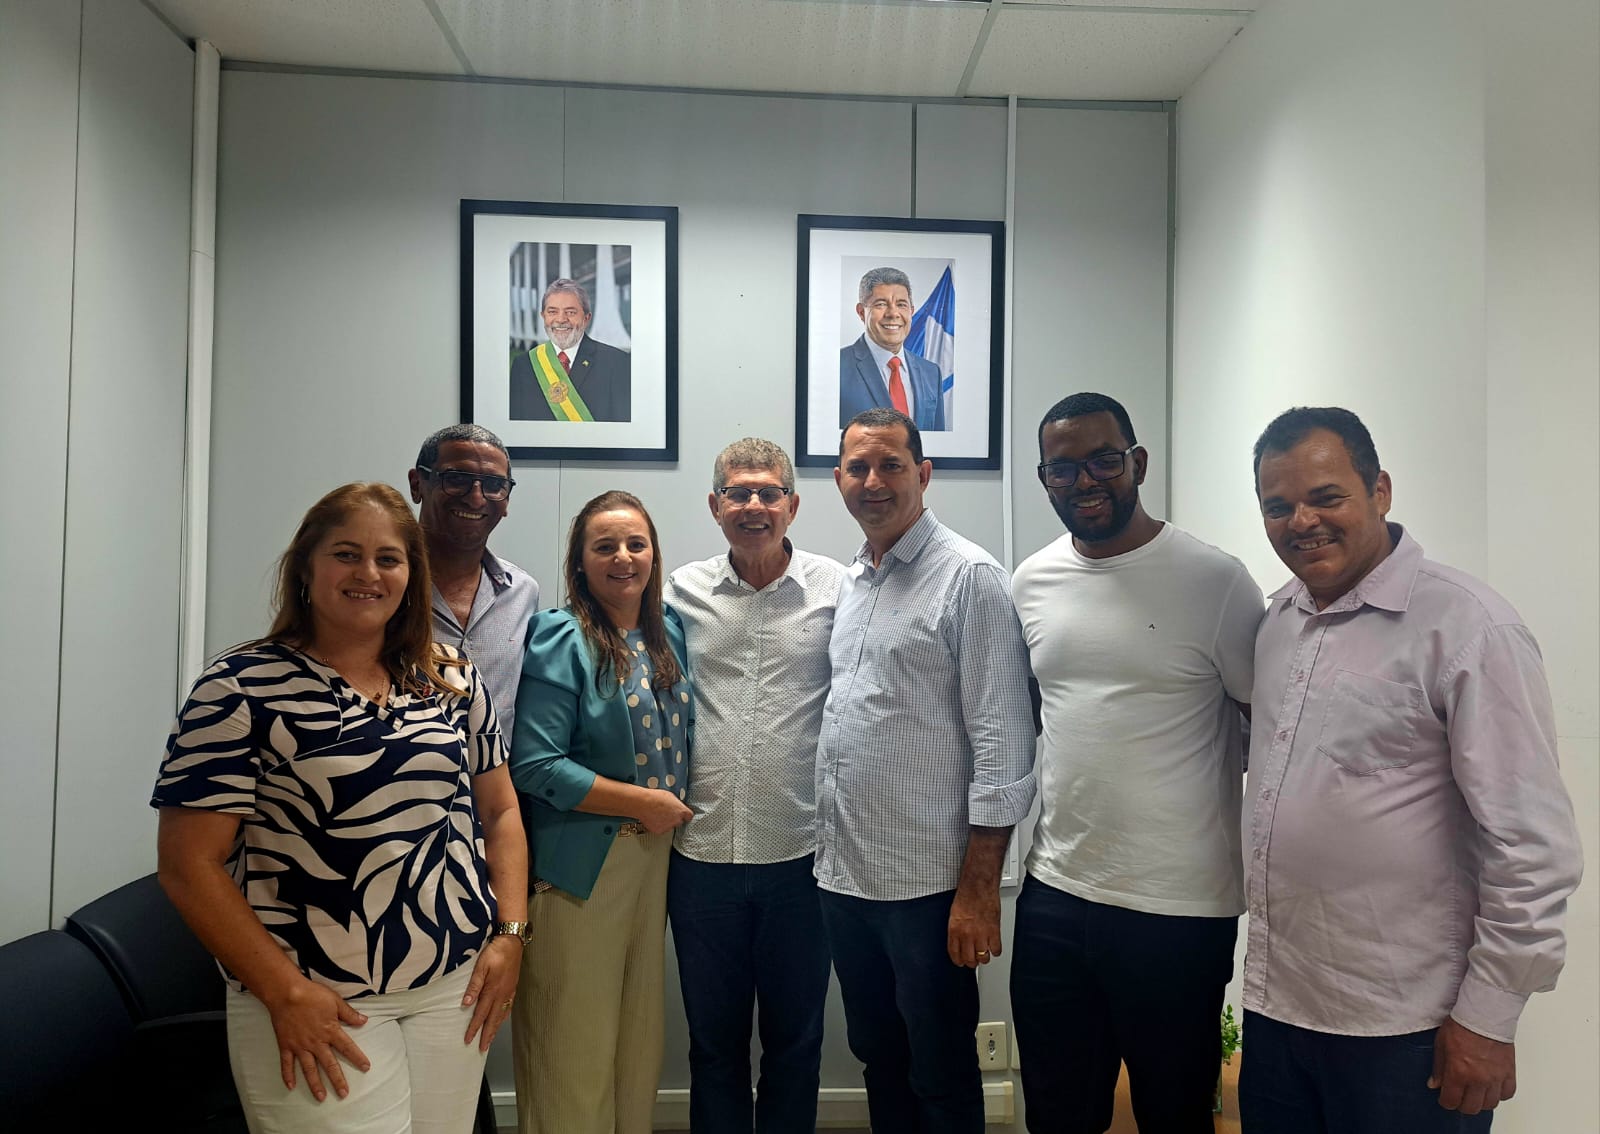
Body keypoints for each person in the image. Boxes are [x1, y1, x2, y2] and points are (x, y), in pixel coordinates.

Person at [1241, 406, 1584, 1132]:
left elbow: (1532, 846)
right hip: (1280, 1006)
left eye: (1326, 497)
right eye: (1278, 506)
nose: (1302, 521)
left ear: (1381, 491)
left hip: (1408, 1030)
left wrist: (1490, 1017)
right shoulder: (1278, 624)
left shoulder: (1469, 628)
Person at [152, 483, 529, 1134]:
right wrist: (283, 992)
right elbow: (189, 865)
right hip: (313, 995)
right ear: (306, 566)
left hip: (452, 988)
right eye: (347, 554)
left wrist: (511, 934)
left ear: (411, 576)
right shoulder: (239, 687)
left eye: (389, 559)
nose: (368, 574)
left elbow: (498, 813)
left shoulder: (450, 677)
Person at [1008, 392, 1263, 1132]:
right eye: (1062, 469)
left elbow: (1268, 725)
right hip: (1056, 891)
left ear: (1137, 463)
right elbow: (1038, 714)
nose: (1084, 482)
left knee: (1173, 1114)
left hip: (1178, 908)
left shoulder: (1215, 582)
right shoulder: (1032, 581)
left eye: (1103, 461)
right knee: (1057, 1113)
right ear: (1045, 479)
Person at [816, 407, 1035, 1132]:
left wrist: (979, 890)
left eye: (891, 465)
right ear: (839, 479)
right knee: (879, 1056)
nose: (873, 481)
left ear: (924, 473)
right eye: (858, 468)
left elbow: (1003, 744)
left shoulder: (969, 578)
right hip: (846, 880)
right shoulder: (854, 579)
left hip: (928, 889)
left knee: (939, 1070)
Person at [664, 438, 845, 1134]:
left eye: (769, 492)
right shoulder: (678, 592)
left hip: (802, 860)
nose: (754, 505)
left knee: (796, 1045)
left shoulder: (839, 589)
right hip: (701, 859)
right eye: (738, 493)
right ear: (715, 506)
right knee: (712, 1048)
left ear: (792, 505)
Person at [508, 490, 694, 1134]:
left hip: (655, 862)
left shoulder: (668, 631)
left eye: (636, 544)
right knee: (572, 1053)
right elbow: (535, 764)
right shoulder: (560, 637)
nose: (623, 558)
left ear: (654, 555)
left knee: (637, 1050)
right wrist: (644, 802)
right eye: (605, 546)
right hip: (582, 867)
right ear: (580, 562)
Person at [410, 424, 540, 723]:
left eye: (494, 485)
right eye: (457, 479)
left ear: (506, 500)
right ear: (417, 485)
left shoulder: (522, 593)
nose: (476, 498)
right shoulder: (381, 587)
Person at [839, 267, 945, 431]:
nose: (893, 313)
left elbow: (940, 441)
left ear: (911, 311)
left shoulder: (931, 373)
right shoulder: (837, 367)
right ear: (861, 312)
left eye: (901, 304)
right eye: (881, 304)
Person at [509, 278, 631, 422]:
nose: (561, 319)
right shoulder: (523, 365)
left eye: (571, 312)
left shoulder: (617, 363)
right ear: (543, 316)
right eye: (552, 312)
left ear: (586, 318)